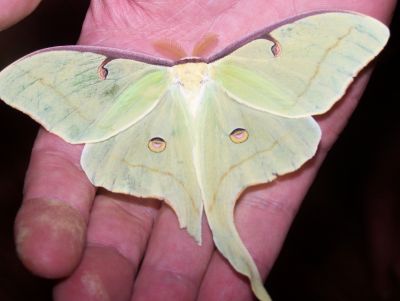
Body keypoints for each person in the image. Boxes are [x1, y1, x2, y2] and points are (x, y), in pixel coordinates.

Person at [0, 1, 396, 300]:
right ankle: (225, 245)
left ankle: (227, 246)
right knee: (201, 206)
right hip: (196, 127)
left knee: (212, 211)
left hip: (211, 124)